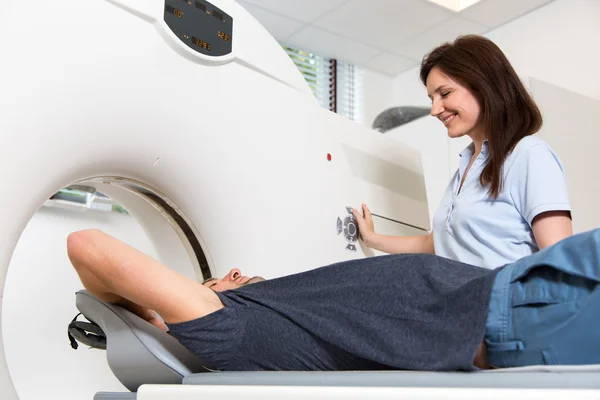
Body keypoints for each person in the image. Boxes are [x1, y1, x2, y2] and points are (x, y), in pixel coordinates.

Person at [67, 228, 599, 372]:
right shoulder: (231, 330)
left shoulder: (277, 303)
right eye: (211, 282)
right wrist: (151, 314)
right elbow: (87, 245)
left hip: (513, 293)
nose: (230, 273)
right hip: (518, 308)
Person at [354, 35, 573, 269]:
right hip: (459, 299)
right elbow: (435, 244)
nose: (435, 109)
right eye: (432, 99)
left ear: (483, 86)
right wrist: (372, 239)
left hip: (500, 300)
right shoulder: (466, 168)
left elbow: (559, 258)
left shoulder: (529, 154)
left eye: (445, 94)